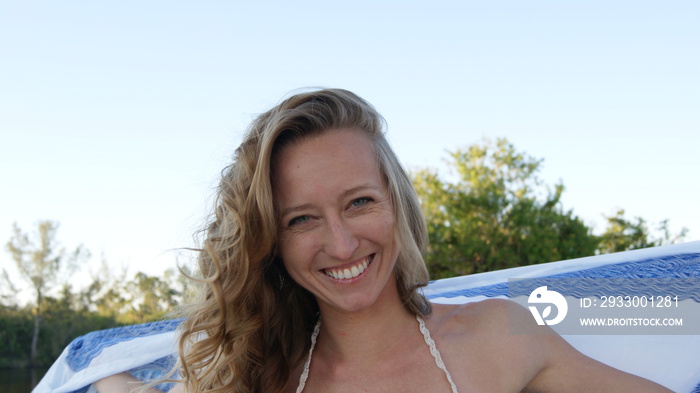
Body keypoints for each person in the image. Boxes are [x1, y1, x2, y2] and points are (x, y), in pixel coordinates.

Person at [95, 88, 672, 392]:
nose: (342, 245)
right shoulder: (260, 374)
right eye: (302, 220)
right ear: (270, 240)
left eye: (359, 203)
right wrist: (103, 374)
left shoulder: (500, 335)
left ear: (396, 202)